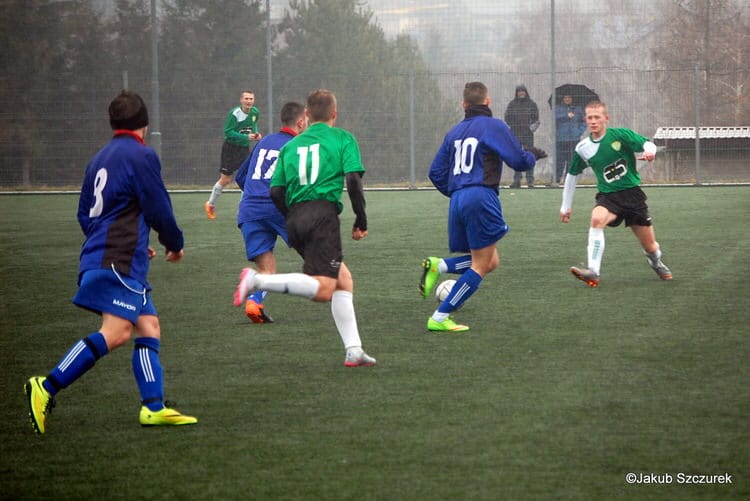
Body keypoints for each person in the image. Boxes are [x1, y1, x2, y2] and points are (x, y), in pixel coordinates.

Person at [24, 91, 197, 434]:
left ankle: (153, 407)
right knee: (116, 333)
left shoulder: (98, 159)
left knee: (148, 326)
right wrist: (173, 244)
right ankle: (46, 386)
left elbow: (85, 215)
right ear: (144, 126)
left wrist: (126, 243)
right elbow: (157, 206)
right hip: (117, 261)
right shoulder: (142, 156)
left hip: (110, 257)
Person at [233, 89, 376, 367]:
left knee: (343, 279)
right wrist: (361, 219)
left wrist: (292, 216)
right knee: (324, 289)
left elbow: (276, 191)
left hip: (294, 215)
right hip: (321, 215)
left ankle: (353, 349)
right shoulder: (343, 138)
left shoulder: (289, 146)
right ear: (334, 114)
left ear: (308, 116)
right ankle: (257, 281)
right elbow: (353, 181)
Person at [420, 81, 544, 332]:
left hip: (458, 199)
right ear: (488, 102)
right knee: (480, 265)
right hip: (481, 196)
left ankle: (439, 265)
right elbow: (519, 162)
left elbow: (435, 172)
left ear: (463, 105)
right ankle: (440, 317)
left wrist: (457, 191)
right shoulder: (493, 126)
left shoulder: (453, 133)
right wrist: (532, 154)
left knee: (490, 260)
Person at [560, 100, 673, 287]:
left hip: (632, 195)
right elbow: (572, 176)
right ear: (585, 120)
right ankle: (593, 272)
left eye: (597, 117)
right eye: (590, 117)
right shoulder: (582, 148)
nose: (593, 121)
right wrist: (565, 206)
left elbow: (647, 144)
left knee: (651, 246)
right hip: (609, 197)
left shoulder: (620, 136)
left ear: (606, 118)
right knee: (596, 219)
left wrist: (650, 153)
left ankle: (655, 262)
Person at [234, 101, 308, 324]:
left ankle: (254, 301)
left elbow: (240, 177)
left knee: (267, 268)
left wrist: (255, 196)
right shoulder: (297, 145)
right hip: (278, 208)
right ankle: (338, 294)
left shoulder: (264, 141)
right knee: (318, 257)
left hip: (249, 211)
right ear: (301, 121)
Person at [205, 90, 262, 219]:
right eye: (246, 99)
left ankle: (242, 210)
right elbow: (228, 132)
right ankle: (210, 204)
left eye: (251, 99)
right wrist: (245, 137)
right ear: (241, 100)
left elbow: (253, 125)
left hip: (243, 149)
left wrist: (256, 134)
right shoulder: (234, 114)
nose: (249, 101)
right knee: (226, 180)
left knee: (246, 179)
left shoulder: (255, 112)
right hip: (230, 149)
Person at [504, 84, 540, 188]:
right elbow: (506, 117)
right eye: (519, 91)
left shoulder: (532, 104)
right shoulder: (512, 104)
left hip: (528, 134)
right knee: (516, 157)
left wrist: (530, 129)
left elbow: (536, 119)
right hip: (515, 134)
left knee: (529, 156)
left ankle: (530, 180)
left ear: (526, 92)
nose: (521, 93)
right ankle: (516, 180)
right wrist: (511, 127)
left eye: (523, 91)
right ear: (516, 93)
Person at [554, 94, 586, 185]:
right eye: (565, 97)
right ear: (563, 99)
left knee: (571, 160)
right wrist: (566, 116)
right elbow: (555, 119)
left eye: (569, 97)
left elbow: (584, 121)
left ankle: (568, 180)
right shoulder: (558, 109)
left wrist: (579, 132)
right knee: (560, 159)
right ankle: (557, 179)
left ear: (572, 99)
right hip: (561, 138)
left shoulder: (578, 109)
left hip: (574, 138)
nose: (567, 99)